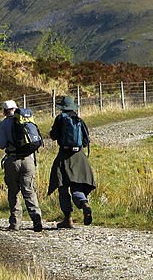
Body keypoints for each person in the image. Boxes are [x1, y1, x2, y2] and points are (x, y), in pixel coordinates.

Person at [48, 95, 97, 228]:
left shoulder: (60, 119)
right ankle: (84, 203)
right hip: (79, 157)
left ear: (62, 108)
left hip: (64, 156)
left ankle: (68, 218)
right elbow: (86, 142)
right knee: (77, 187)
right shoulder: (79, 120)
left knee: (63, 187)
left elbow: (53, 136)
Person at [0, 99, 44, 231]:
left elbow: (0, 144)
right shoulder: (27, 120)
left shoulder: (4, 123)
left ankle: (15, 223)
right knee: (29, 190)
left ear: (4, 112)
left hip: (12, 160)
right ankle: (36, 218)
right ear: (16, 109)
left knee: (14, 191)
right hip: (29, 159)